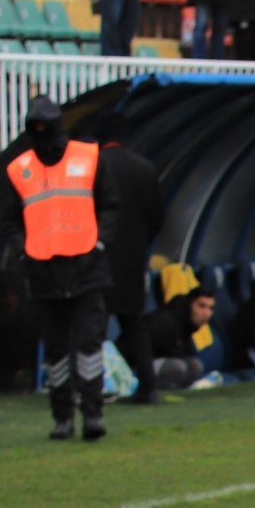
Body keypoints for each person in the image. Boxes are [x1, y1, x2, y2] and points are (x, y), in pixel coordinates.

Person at [6, 96, 111, 441]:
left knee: (88, 343)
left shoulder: (89, 157)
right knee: (56, 350)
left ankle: (92, 413)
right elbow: (11, 220)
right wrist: (25, 252)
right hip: (45, 270)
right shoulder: (19, 169)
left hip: (86, 265)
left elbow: (111, 205)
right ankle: (62, 416)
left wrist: (99, 243)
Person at [94, 139, 165, 405]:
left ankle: (96, 387)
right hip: (134, 257)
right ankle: (149, 386)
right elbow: (158, 214)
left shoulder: (95, 166)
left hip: (101, 255)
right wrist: (142, 242)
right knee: (134, 322)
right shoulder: (145, 168)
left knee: (95, 325)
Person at [139, 286, 214, 390]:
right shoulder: (167, 320)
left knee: (195, 365)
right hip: (138, 365)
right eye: (201, 306)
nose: (206, 313)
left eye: (210, 308)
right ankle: (148, 390)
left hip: (156, 362)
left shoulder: (187, 324)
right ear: (190, 304)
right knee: (177, 367)